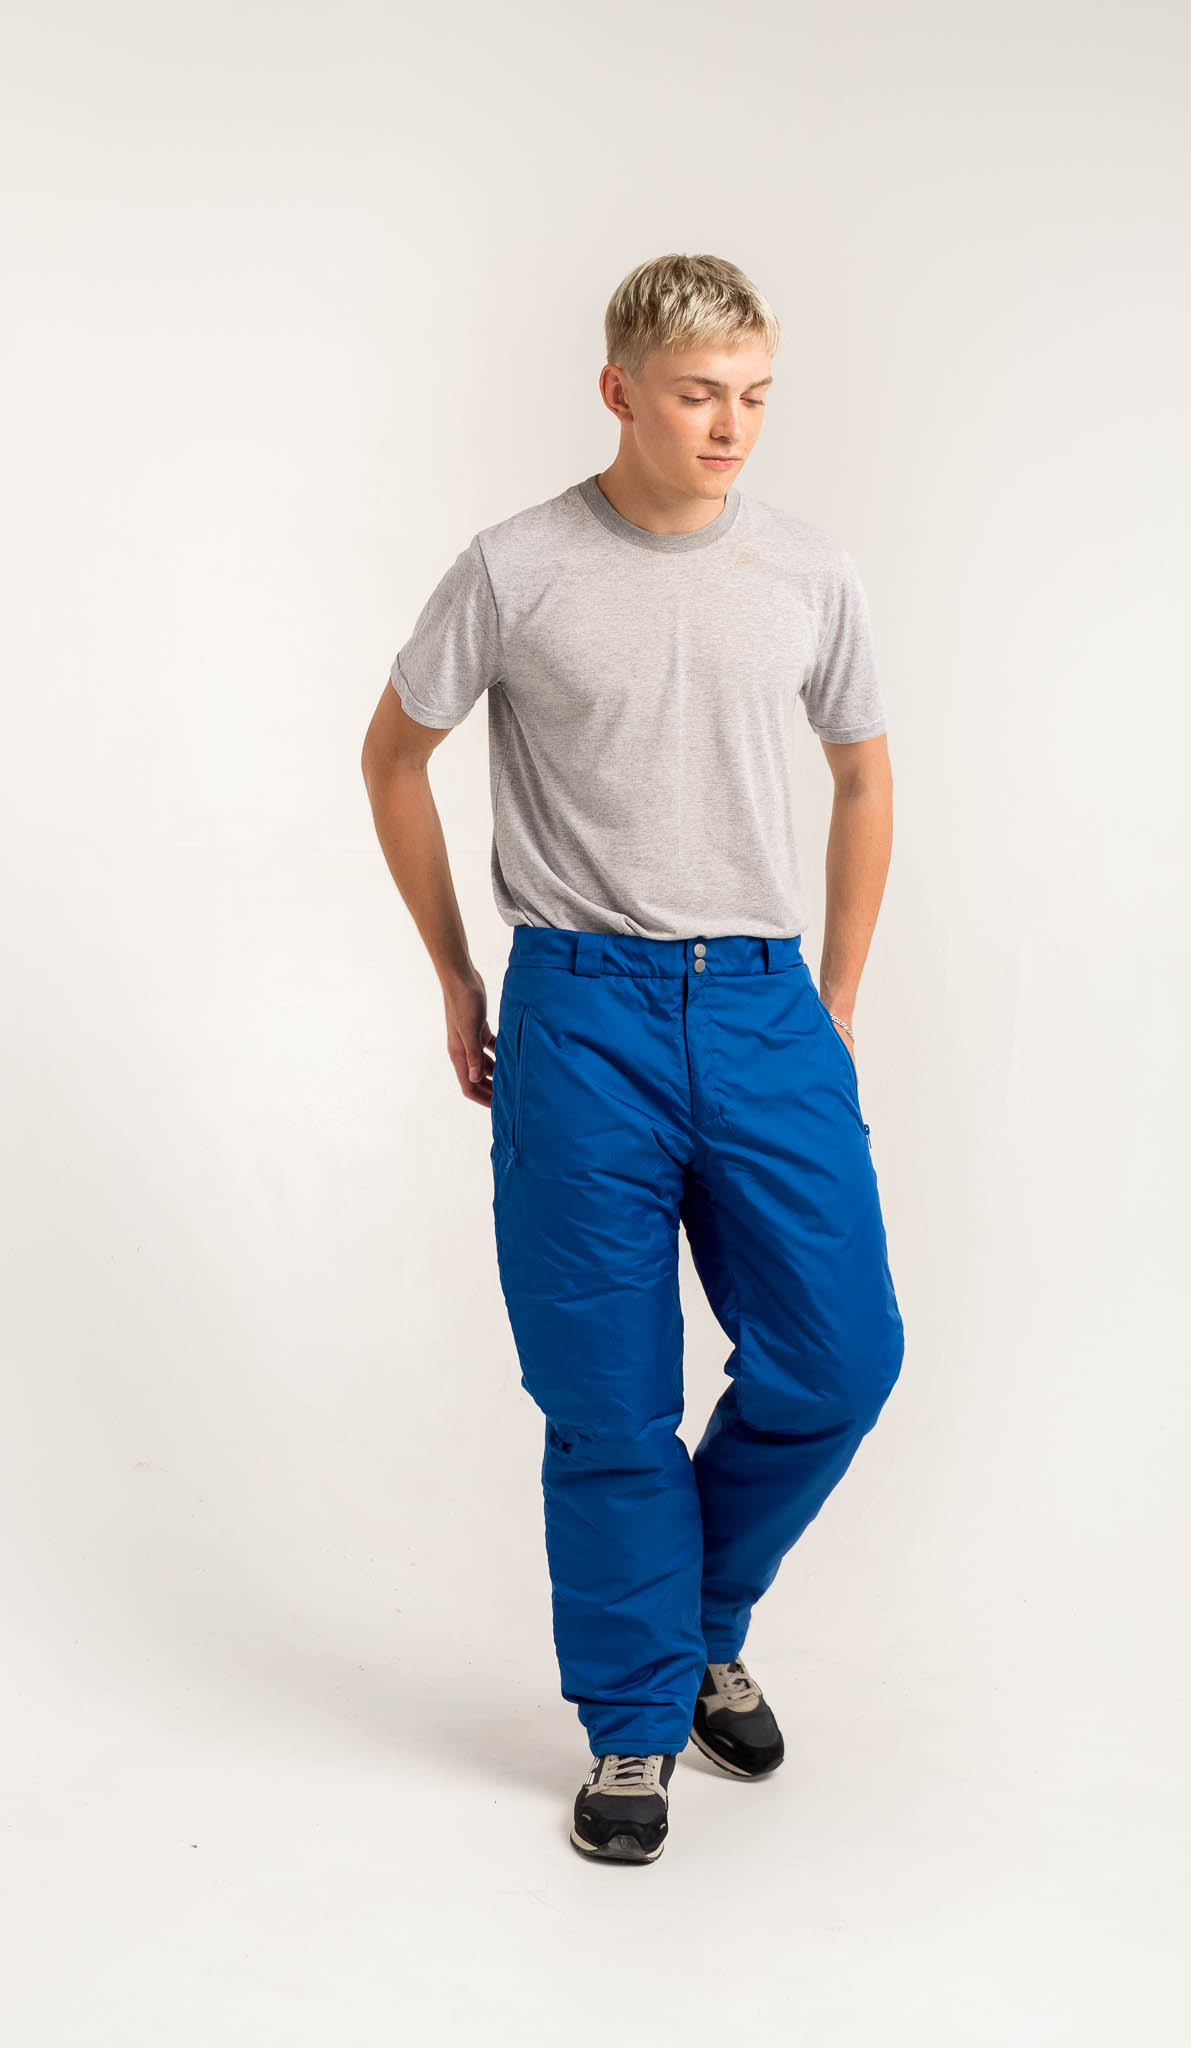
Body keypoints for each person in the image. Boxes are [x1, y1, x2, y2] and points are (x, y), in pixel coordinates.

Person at [361, 251, 904, 1865]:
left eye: (752, 397)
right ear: (618, 392)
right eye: (695, 396)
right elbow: (392, 757)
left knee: (841, 1361)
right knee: (605, 1404)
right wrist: (453, 971)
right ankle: (630, 1724)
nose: (729, 426)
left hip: (761, 1005)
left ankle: (693, 1621)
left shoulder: (806, 571)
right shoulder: (516, 568)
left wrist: (836, 996)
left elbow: (864, 778)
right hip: (578, 1009)